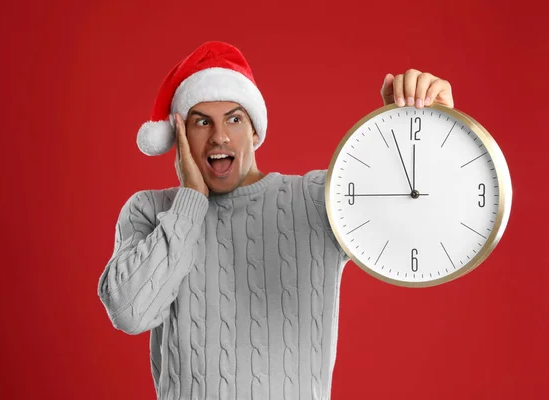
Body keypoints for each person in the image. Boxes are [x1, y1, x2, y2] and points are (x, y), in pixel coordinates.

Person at [97, 41, 454, 400]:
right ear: (180, 137)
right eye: (201, 122)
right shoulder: (150, 210)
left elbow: (423, 211)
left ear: (254, 131)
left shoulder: (316, 200)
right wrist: (190, 200)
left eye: (234, 119)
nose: (219, 136)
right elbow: (130, 313)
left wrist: (425, 129)